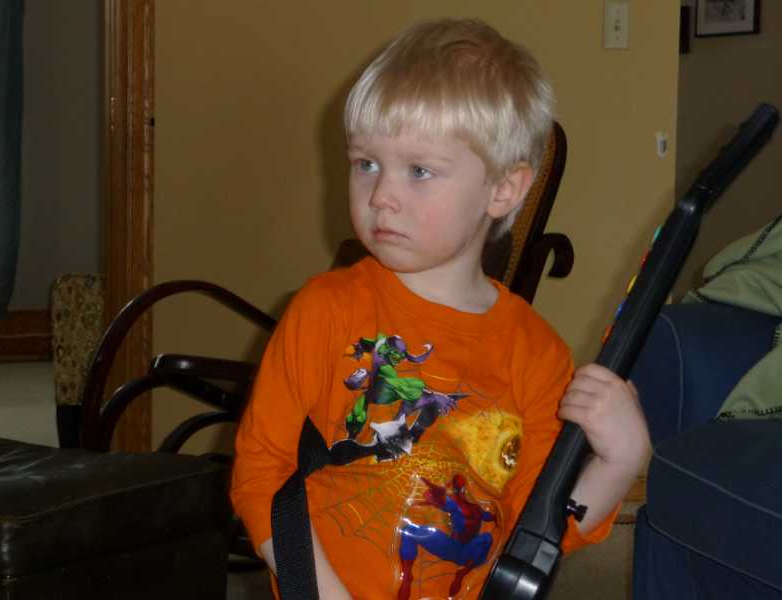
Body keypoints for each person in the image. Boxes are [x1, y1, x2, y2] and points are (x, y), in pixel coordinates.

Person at [231, 17, 650, 599]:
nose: (381, 195)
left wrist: (619, 461)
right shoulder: (325, 309)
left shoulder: (537, 356)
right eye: (366, 163)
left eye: (419, 170)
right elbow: (261, 472)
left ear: (503, 190)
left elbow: (541, 531)